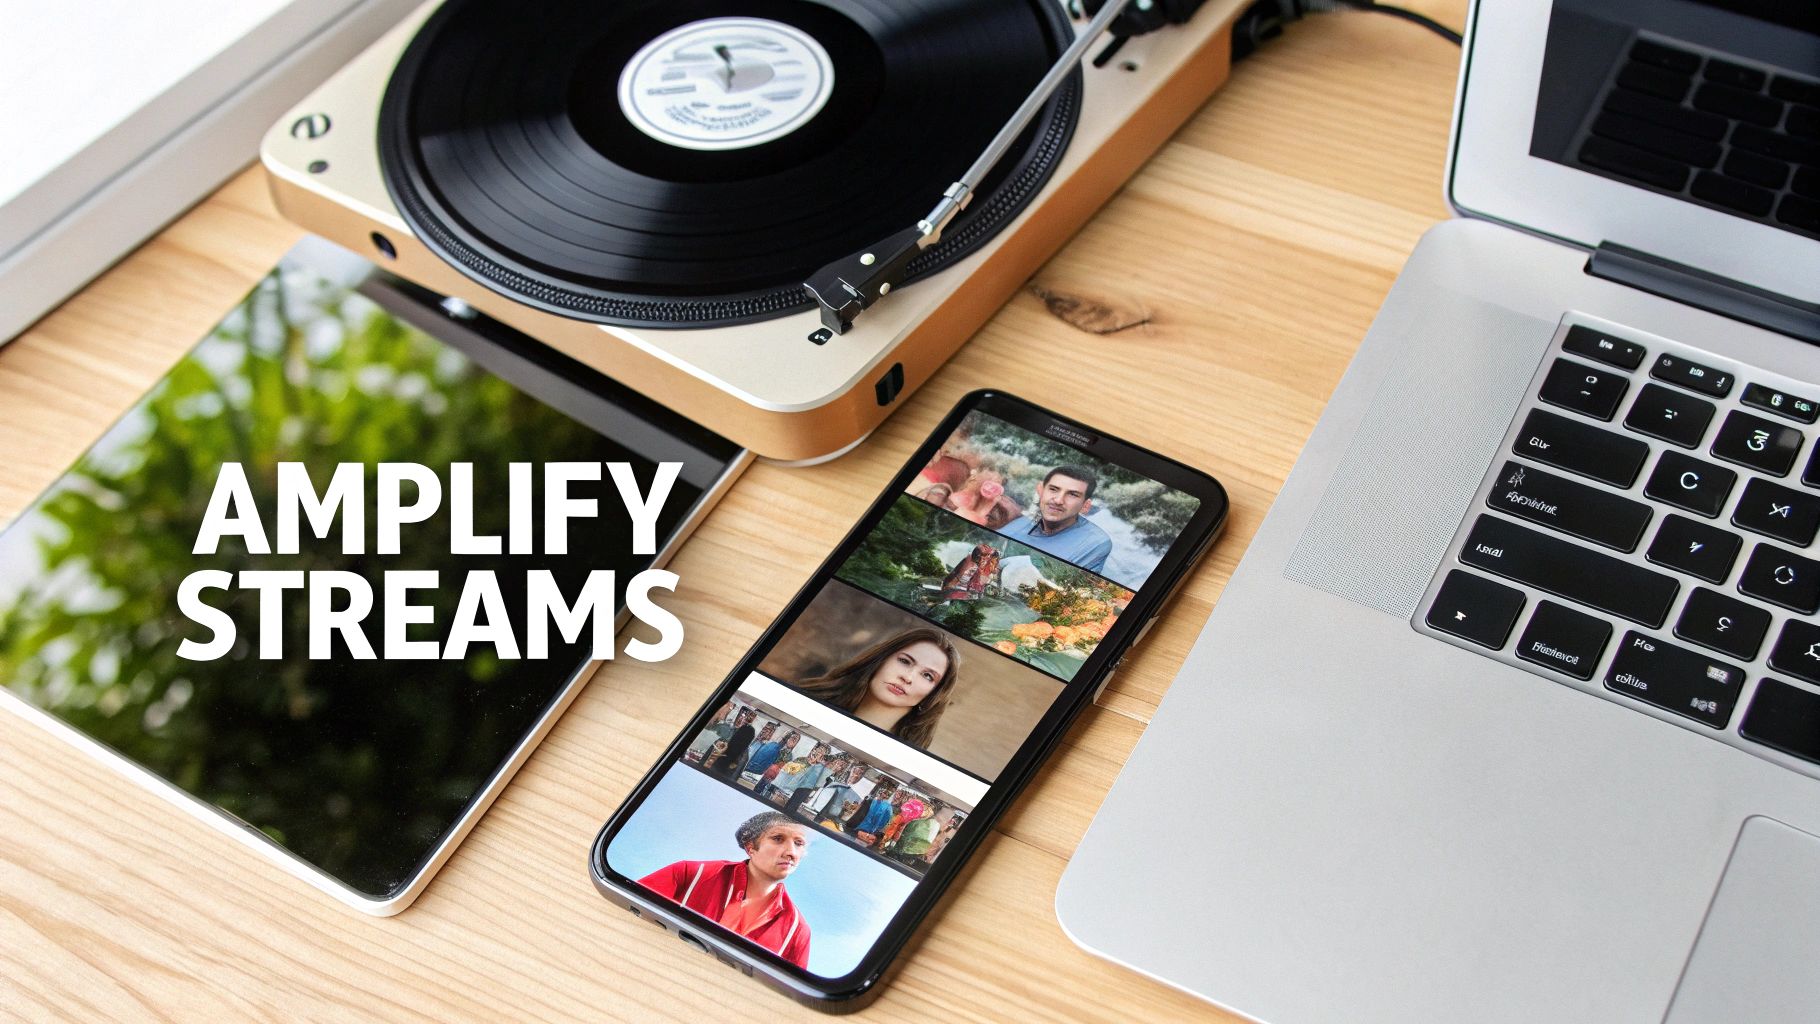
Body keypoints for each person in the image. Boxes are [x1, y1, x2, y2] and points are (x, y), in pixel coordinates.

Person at [636, 811, 812, 968]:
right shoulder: (690, 874)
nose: (791, 852)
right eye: (778, 839)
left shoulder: (798, 930)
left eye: (799, 843)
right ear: (750, 847)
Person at [795, 629, 960, 749]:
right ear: (882, 659)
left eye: (928, 676)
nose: (908, 677)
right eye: (905, 661)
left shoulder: (906, 761)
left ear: (935, 693)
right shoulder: (802, 699)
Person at [996, 465, 1113, 573]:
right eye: (1053, 489)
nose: (1058, 500)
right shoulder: (1016, 525)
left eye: (1072, 494)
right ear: (1041, 490)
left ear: (1085, 506)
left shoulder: (1094, 542)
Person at [768, 748, 837, 814]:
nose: (819, 754)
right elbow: (787, 772)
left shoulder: (819, 769)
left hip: (795, 796)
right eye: (819, 751)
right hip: (783, 791)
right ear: (814, 750)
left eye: (822, 753)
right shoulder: (802, 760)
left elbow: (815, 786)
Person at [702, 709, 759, 777]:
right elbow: (734, 776)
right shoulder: (744, 756)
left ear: (736, 733)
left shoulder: (722, 744)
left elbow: (705, 759)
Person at [893, 802, 942, 866]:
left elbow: (908, 835)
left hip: (910, 848)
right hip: (916, 848)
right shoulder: (930, 823)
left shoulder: (919, 823)